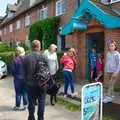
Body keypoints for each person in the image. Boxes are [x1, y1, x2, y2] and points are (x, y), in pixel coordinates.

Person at [23, 40, 48, 120]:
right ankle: (40, 118)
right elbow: (47, 70)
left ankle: (31, 117)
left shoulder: (26, 57)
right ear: (39, 47)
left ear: (31, 47)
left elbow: (23, 72)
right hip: (42, 83)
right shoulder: (44, 56)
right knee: (42, 101)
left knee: (31, 101)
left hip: (30, 83)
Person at [12, 46, 28, 110]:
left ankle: (18, 106)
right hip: (25, 78)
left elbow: (13, 70)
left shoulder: (15, 59)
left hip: (17, 78)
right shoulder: (26, 59)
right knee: (25, 92)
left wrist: (15, 75)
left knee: (18, 93)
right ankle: (25, 106)